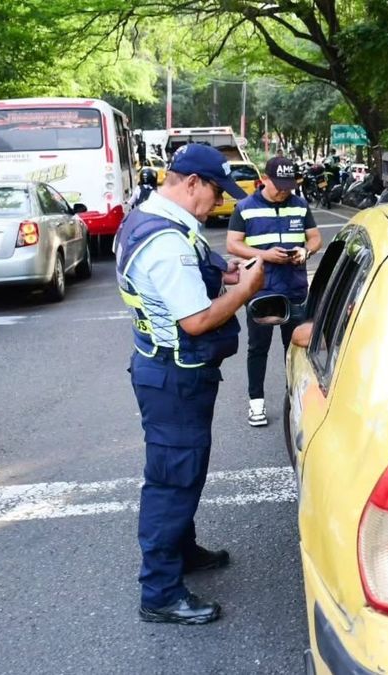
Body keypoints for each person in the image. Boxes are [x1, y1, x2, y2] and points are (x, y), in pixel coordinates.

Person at [116, 143, 264, 625]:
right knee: (172, 481)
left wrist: (226, 271)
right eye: (214, 191)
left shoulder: (152, 221)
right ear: (191, 183)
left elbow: (194, 280)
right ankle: (159, 593)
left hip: (167, 370)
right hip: (174, 375)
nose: (218, 202)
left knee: (185, 469)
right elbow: (197, 320)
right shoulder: (165, 241)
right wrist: (244, 291)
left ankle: (181, 549)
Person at [225, 156, 322, 427]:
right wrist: (264, 255)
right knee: (258, 348)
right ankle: (256, 403)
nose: (283, 190)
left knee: (295, 347)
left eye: (288, 185)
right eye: (278, 184)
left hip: (294, 288)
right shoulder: (245, 208)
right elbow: (233, 244)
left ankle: (296, 400)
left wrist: (306, 250)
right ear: (264, 180)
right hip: (261, 290)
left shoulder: (300, 205)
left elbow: (315, 237)